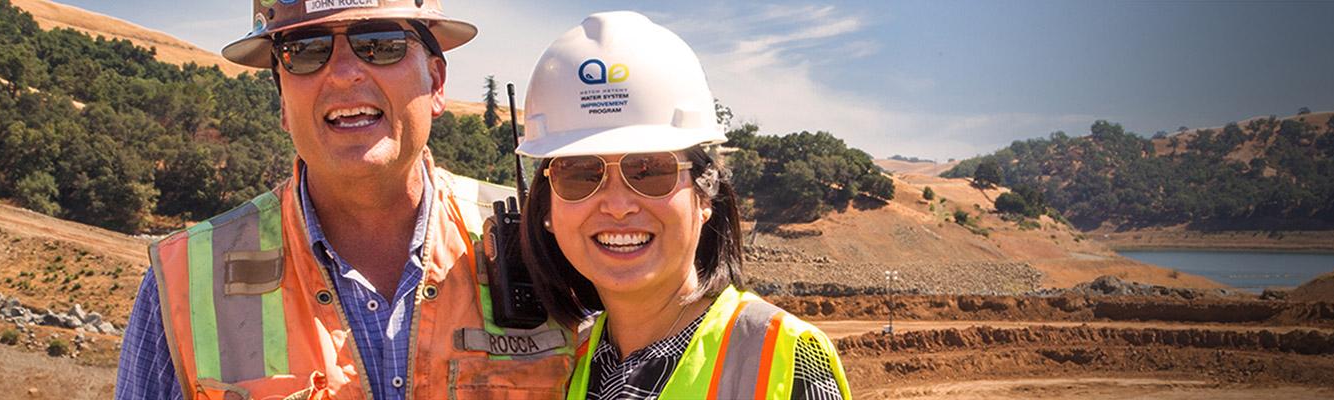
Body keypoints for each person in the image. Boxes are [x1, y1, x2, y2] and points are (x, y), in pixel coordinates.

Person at [115, 0, 573, 398]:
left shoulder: (552, 238)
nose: (343, 73)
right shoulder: (180, 283)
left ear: (435, 81)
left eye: (380, 44)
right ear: (280, 101)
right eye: (306, 51)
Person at [514, 11, 851, 400]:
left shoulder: (779, 356)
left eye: (650, 171)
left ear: (705, 195)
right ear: (547, 211)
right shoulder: (572, 362)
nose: (618, 205)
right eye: (581, 174)